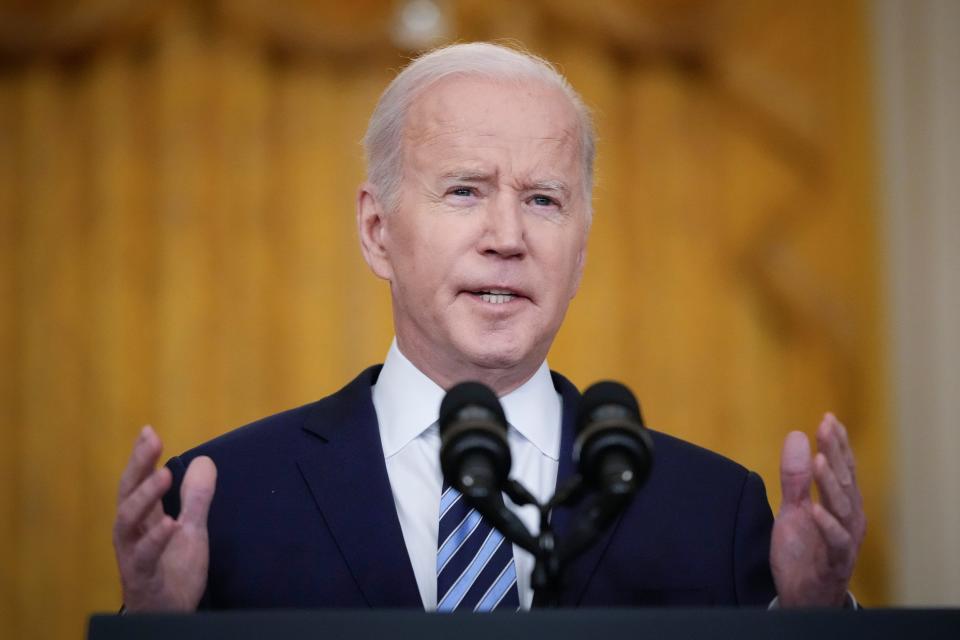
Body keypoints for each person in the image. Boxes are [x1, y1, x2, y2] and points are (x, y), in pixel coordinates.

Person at [112, 42, 866, 612]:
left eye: (543, 200)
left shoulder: (711, 509)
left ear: (581, 250)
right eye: (465, 191)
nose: (507, 236)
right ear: (377, 231)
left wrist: (815, 623)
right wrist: (146, 632)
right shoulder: (226, 501)